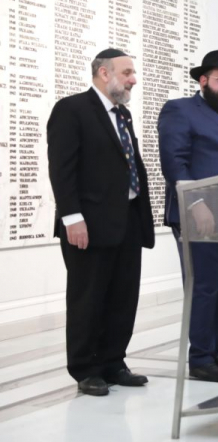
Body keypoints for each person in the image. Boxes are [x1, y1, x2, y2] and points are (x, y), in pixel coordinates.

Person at [47, 48, 155, 396]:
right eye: (127, 73)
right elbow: (62, 169)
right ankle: (85, 367)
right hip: (88, 224)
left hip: (126, 221)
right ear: (104, 74)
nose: (133, 79)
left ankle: (113, 361)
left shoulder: (122, 115)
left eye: (133, 73)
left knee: (123, 295)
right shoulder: (72, 109)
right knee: (88, 297)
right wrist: (71, 217)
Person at [158, 50, 218, 382]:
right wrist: (193, 203)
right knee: (204, 285)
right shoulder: (181, 110)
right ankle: (199, 357)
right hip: (199, 213)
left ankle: (215, 351)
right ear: (203, 81)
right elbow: (175, 160)